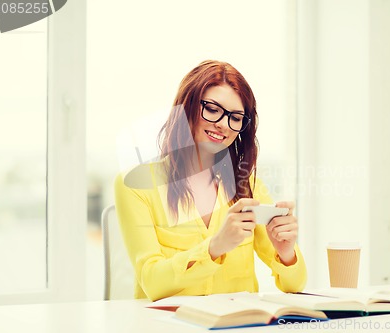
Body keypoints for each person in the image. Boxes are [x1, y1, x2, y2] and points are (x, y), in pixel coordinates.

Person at [114, 60, 307, 301]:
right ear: (187, 107)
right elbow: (152, 282)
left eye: (235, 118)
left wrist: (286, 252)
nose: (223, 124)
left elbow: (295, 285)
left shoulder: (249, 185)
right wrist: (215, 247)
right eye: (213, 109)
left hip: (236, 325)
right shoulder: (135, 185)